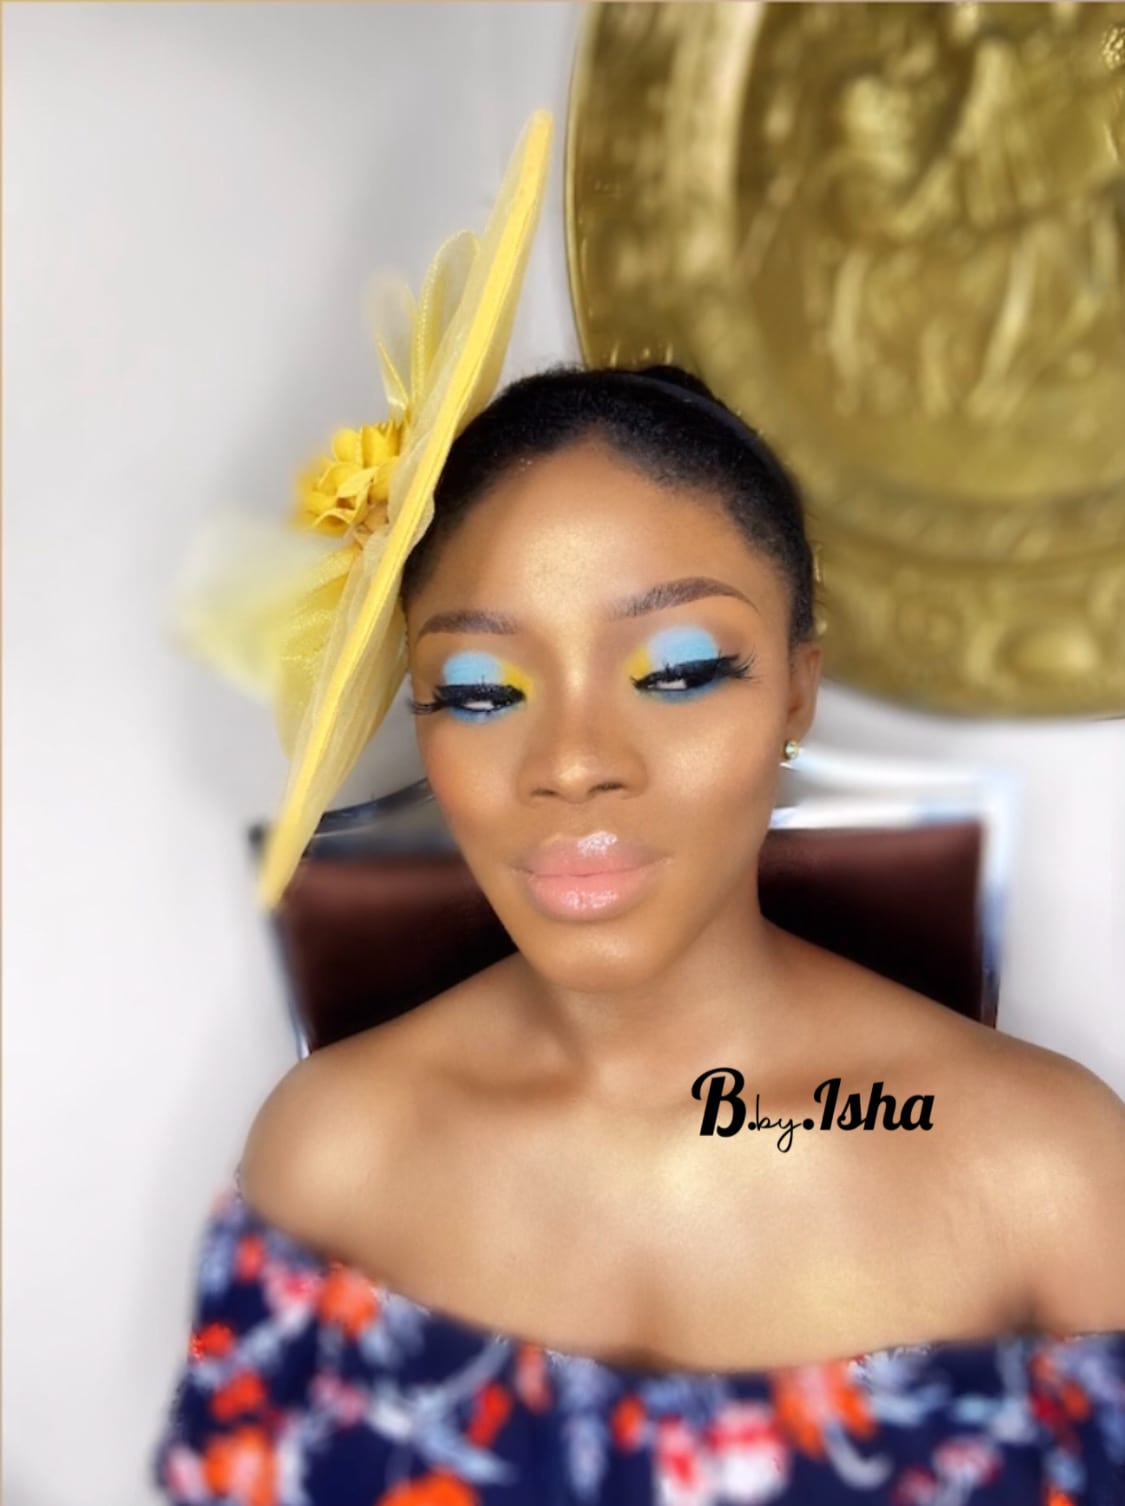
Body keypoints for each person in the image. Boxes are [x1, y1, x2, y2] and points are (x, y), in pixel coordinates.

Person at [153, 358, 1125, 1505]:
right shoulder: (327, 1159)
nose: (573, 763)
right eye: (479, 691)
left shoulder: (1053, 1179)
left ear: (796, 689)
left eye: (678, 672)